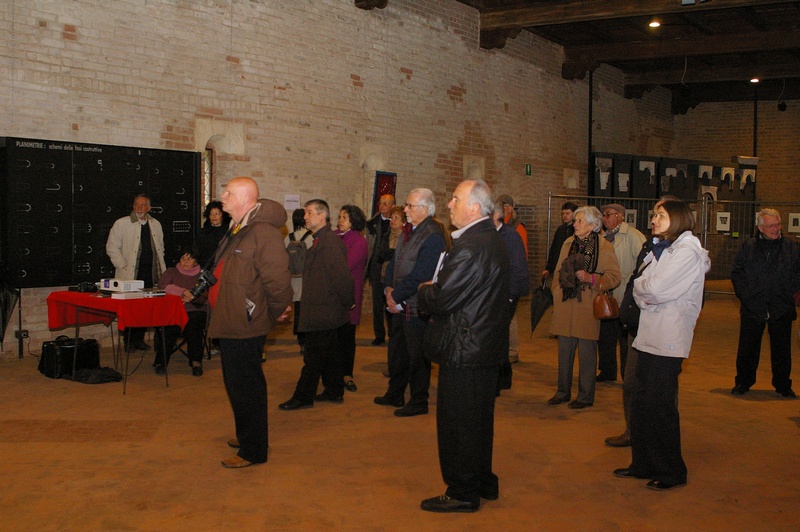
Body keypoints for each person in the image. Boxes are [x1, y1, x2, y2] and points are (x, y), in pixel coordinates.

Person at [417, 179, 510, 513]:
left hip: (465, 347)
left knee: (458, 424)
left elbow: (442, 298)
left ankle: (462, 491)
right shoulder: (491, 239)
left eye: (455, 199)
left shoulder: (471, 246)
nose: (450, 204)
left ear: (474, 207)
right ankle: (482, 480)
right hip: (483, 346)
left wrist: (424, 290)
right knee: (478, 421)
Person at [613, 199, 710, 491]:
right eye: (654, 214)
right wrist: (646, 289)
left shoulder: (687, 251)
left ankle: (670, 470)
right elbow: (639, 285)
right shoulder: (663, 247)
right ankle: (642, 463)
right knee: (640, 403)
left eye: (661, 215)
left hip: (668, 339)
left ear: (678, 219)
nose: (653, 219)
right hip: (647, 335)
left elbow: (652, 288)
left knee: (661, 407)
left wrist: (645, 289)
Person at [206, 177, 293, 469]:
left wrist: (279, 309)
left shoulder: (263, 232)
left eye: (228, 192)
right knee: (236, 385)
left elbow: (278, 277)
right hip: (231, 319)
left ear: (245, 198)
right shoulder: (239, 228)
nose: (222, 195)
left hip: (246, 321)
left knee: (247, 386)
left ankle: (254, 450)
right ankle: (247, 436)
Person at [374, 188, 446, 416]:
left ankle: (418, 401)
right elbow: (395, 262)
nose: (404, 209)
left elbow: (422, 274)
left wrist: (396, 296)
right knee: (398, 353)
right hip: (399, 301)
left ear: (424, 209)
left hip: (416, 307)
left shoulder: (432, 235)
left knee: (417, 357)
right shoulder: (411, 230)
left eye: (409, 206)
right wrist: (388, 288)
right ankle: (395, 393)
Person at [279, 199, 354, 410]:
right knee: (329, 353)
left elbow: (343, 278)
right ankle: (334, 390)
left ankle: (303, 397)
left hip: (324, 310)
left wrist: (349, 302)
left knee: (312, 358)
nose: (305, 217)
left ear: (322, 216)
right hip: (320, 308)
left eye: (309, 212)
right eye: (305, 213)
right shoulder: (320, 240)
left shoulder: (330, 242)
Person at [548, 206, 620, 409]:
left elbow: (615, 277)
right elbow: (558, 269)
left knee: (587, 354)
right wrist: (556, 291)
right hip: (565, 302)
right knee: (564, 351)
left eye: (579, 221)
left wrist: (591, 278)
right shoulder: (568, 243)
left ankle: (585, 396)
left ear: (592, 225)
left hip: (588, 304)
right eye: (576, 220)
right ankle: (562, 392)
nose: (575, 224)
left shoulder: (604, 246)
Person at [730, 208, 800, 398]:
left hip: (781, 307)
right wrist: (746, 296)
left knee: (782, 350)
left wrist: (791, 293)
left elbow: (797, 273)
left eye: (777, 225)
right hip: (753, 307)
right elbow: (737, 273)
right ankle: (743, 383)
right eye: (770, 226)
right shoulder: (749, 247)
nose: (775, 229)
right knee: (747, 349)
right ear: (760, 228)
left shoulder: (791, 248)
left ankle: (783, 385)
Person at [106, 193, 166, 351]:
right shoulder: (122, 223)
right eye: (136, 205)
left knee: (145, 309)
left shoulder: (156, 224)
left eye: (142, 205)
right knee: (130, 308)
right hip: (130, 274)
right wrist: (122, 265)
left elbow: (160, 247)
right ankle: (128, 341)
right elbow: (112, 247)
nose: (139, 208)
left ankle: (139, 340)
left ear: (149, 208)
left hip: (150, 273)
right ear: (133, 207)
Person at [597, 203, 646, 382]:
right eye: (603, 215)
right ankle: (607, 371)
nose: (604, 218)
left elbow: (643, 265)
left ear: (620, 216)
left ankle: (628, 375)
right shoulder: (602, 237)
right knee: (605, 337)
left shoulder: (633, 236)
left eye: (608, 214)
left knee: (625, 339)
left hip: (625, 295)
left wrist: (631, 286)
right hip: (606, 295)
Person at [492, 199, 530, 393]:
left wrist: (509, 297)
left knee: (498, 337)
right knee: (497, 337)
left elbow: (519, 270)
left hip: (506, 294)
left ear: (497, 216)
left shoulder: (511, 237)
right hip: (492, 295)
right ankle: (503, 375)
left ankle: (500, 379)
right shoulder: (489, 235)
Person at [152, 247, 208, 376]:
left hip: (195, 309)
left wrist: (192, 297)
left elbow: (204, 297)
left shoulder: (202, 275)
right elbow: (162, 285)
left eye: (189, 258)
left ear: (196, 261)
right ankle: (161, 362)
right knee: (169, 327)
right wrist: (182, 291)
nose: (185, 261)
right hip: (173, 310)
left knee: (194, 324)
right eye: (183, 258)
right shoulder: (172, 272)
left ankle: (196, 362)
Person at [336, 204, 368, 393]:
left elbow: (345, 266)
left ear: (354, 222)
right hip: (331, 295)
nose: (340, 220)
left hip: (348, 295)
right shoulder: (332, 236)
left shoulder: (359, 242)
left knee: (346, 337)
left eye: (344, 217)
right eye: (339, 216)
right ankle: (332, 373)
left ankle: (347, 374)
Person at [497, 194, 528, 364]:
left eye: (506, 206)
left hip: (511, 279)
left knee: (511, 318)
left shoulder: (516, 227)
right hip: (502, 279)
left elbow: (521, 254)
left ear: (510, 208)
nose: (504, 209)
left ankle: (513, 351)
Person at [365, 194, 396, 346]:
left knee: (390, 302)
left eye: (386, 203)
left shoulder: (398, 223)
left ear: (392, 205)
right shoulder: (371, 224)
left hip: (391, 267)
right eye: (381, 203)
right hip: (376, 267)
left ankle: (393, 334)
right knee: (377, 304)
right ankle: (379, 334)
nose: (382, 206)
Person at [284, 208, 313, 350]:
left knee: (297, 309)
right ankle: (306, 340)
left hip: (293, 279)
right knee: (306, 309)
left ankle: (299, 338)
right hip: (307, 279)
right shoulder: (310, 237)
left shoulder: (288, 238)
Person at [542, 201, 578, 279]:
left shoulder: (577, 230)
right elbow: (554, 249)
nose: (564, 216)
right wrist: (549, 268)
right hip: (559, 266)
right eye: (563, 214)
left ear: (574, 214)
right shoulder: (560, 229)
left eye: (567, 213)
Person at [197, 200, 232, 268]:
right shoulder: (204, 232)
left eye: (217, 214)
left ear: (222, 214)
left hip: (224, 266)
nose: (214, 216)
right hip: (207, 267)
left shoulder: (229, 231)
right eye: (211, 214)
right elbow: (199, 251)